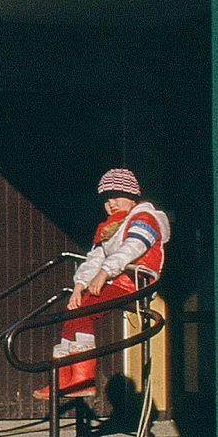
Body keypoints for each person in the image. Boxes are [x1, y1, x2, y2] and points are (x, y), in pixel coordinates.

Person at [48, 167, 170, 399]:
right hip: (114, 280)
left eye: (117, 196)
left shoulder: (144, 218)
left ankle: (84, 378)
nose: (111, 203)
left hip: (135, 281)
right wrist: (79, 286)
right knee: (72, 313)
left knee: (86, 312)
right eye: (106, 199)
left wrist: (105, 273)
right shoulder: (109, 226)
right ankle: (64, 378)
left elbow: (132, 248)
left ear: (132, 197)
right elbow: (95, 257)